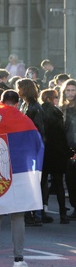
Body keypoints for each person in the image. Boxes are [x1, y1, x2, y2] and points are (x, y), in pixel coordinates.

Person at [0, 90, 44, 267]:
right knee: (18, 215)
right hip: (19, 173)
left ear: (1, 100)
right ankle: (18, 259)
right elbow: (37, 143)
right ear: (17, 102)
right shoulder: (23, 119)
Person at [16, 78, 49, 225]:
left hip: (32, 148)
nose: (17, 91)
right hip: (27, 147)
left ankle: (35, 214)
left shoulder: (34, 107)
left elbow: (37, 130)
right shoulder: (26, 105)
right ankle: (32, 213)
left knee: (34, 182)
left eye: (19, 88)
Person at [40, 89, 74, 224]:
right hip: (57, 153)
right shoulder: (57, 113)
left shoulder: (40, 111)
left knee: (42, 183)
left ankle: (42, 211)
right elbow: (61, 134)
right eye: (55, 97)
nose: (57, 99)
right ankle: (62, 214)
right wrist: (67, 151)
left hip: (44, 152)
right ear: (50, 98)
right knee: (59, 182)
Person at [59, 79, 76, 219]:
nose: (70, 93)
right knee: (70, 180)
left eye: (73, 90)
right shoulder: (61, 109)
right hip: (66, 149)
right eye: (68, 90)